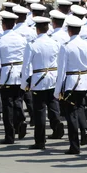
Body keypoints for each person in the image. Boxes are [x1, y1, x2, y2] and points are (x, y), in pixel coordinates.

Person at [54, 15, 87, 155]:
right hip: (85, 81)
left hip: (72, 83)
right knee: (81, 108)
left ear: (69, 31)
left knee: (71, 115)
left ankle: (74, 146)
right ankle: (84, 130)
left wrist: (57, 90)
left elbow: (62, 70)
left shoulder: (66, 47)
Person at [23, 16, 64, 150]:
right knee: (53, 105)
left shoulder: (32, 44)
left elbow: (26, 66)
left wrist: (24, 84)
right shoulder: (55, 42)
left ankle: (40, 141)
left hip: (39, 78)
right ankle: (57, 125)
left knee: (39, 110)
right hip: (53, 77)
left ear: (37, 29)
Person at [0, 11, 27, 144]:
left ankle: (10, 135)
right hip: (20, 73)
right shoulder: (22, 39)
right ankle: (20, 121)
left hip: (6, 75)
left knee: (7, 106)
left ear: (4, 25)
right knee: (18, 100)